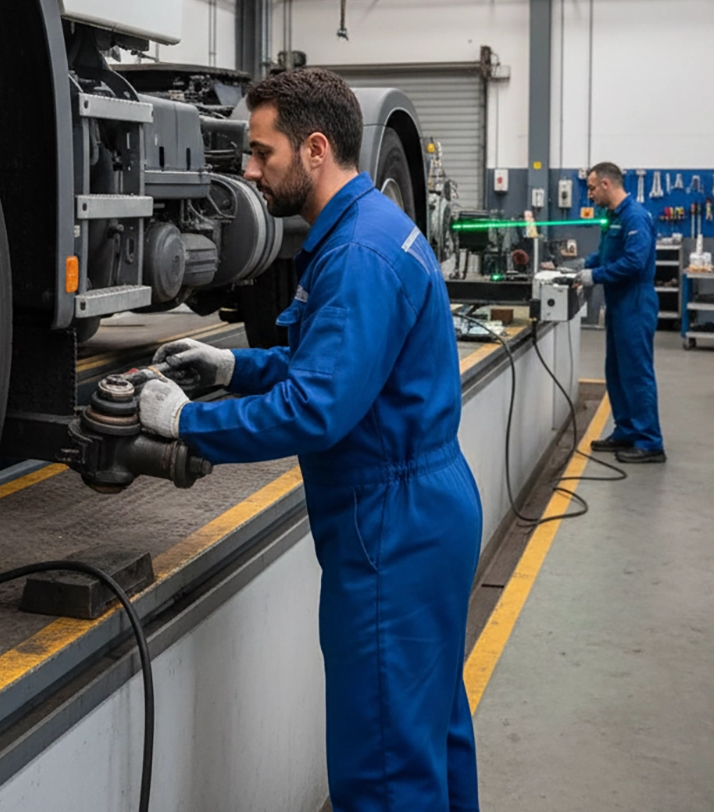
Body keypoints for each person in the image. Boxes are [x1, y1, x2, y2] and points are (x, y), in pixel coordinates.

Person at [138, 68, 482, 812]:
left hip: (392, 524)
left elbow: (317, 409)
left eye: (263, 154)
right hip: (421, 508)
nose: (252, 171)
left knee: (384, 768)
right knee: (430, 737)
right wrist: (234, 366)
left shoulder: (357, 255)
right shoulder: (365, 231)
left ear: (316, 148)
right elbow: (329, 361)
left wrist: (184, 421)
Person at [579, 162, 666, 463]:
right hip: (618, 304)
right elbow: (605, 254)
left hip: (635, 303)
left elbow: (633, 263)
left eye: (591, 187)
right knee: (615, 371)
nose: (589, 195)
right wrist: (581, 266)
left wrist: (596, 276)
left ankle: (650, 441)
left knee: (637, 372)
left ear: (606, 184)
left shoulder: (635, 217)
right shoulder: (613, 217)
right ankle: (626, 430)